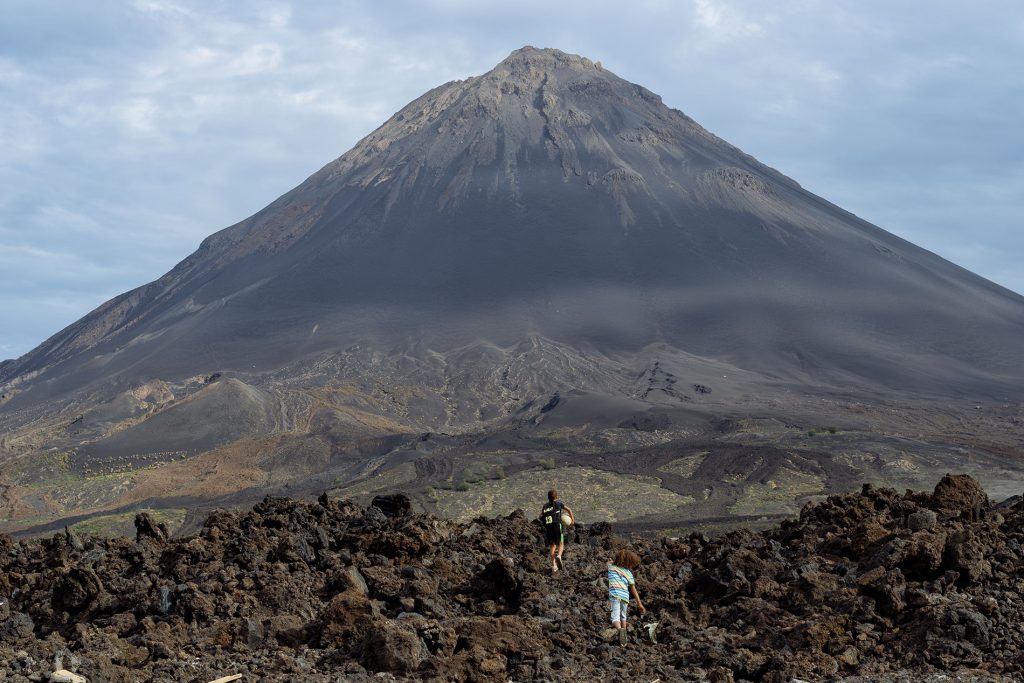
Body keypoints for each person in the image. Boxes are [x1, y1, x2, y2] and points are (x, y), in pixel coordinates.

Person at [607, 549, 645, 645]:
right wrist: (639, 603)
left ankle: (620, 630)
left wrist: (613, 561)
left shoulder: (611, 567)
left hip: (615, 595)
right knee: (623, 616)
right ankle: (624, 639)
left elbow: (608, 562)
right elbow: (633, 589)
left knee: (615, 618)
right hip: (625, 596)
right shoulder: (629, 574)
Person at [539, 489, 574, 572]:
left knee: (552, 545)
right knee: (561, 542)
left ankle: (554, 565)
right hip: (557, 525)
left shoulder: (545, 506)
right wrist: (572, 520)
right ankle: (559, 555)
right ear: (557, 497)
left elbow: (540, 516)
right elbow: (569, 510)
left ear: (548, 498)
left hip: (548, 527)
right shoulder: (558, 503)